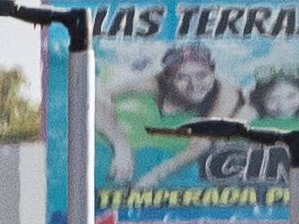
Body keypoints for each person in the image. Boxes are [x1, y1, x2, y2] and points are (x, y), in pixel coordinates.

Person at [101, 44, 238, 187]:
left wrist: (153, 177)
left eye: (202, 75)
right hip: (155, 84)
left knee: (221, 141)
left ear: (213, 71)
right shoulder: (157, 83)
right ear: (168, 77)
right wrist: (121, 146)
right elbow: (99, 94)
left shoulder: (226, 94)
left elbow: (200, 144)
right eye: (182, 77)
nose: (194, 85)